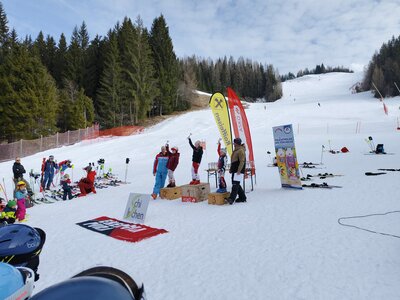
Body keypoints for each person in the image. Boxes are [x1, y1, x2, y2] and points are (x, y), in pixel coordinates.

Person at [226, 138, 247, 205]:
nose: (233, 144)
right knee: (236, 183)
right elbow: (233, 161)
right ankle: (242, 197)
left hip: (238, 171)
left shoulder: (240, 150)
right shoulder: (236, 150)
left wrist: (239, 170)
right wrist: (231, 169)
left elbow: (242, 161)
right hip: (235, 170)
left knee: (235, 184)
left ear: (237, 143)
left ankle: (231, 199)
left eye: (234, 143)